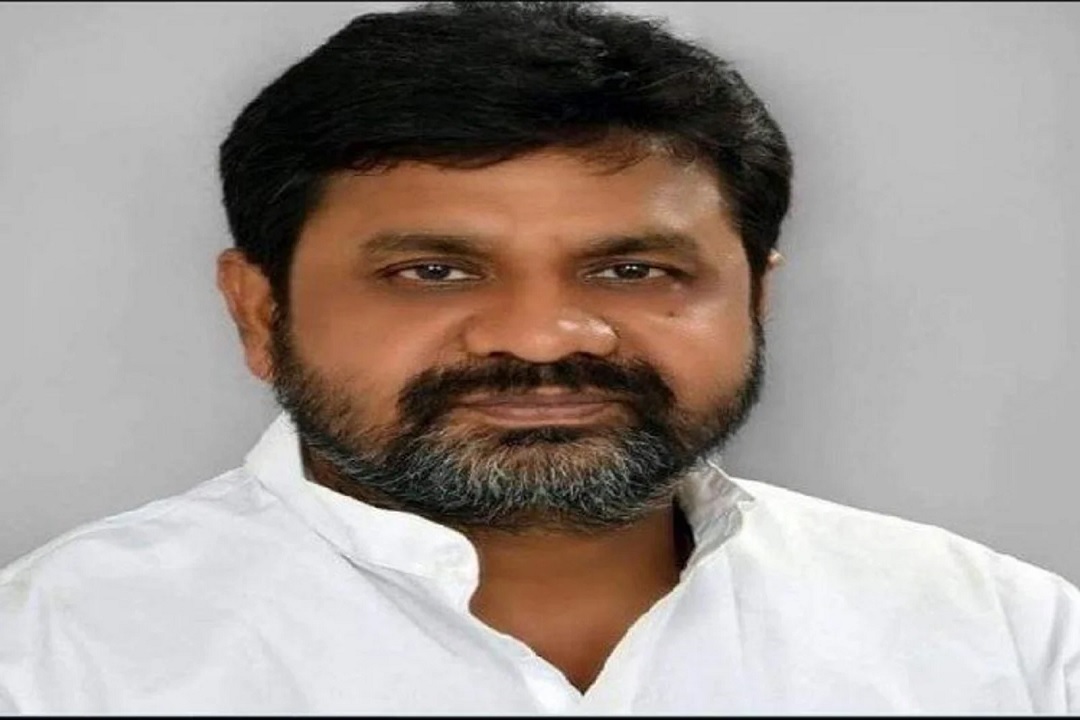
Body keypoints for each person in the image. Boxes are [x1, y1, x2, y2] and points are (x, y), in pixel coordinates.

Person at [1, 0, 1077, 714]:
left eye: (633, 269)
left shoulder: (1002, 642)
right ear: (257, 309)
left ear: (757, 297)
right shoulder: (51, 660)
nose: (541, 336)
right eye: (433, 270)